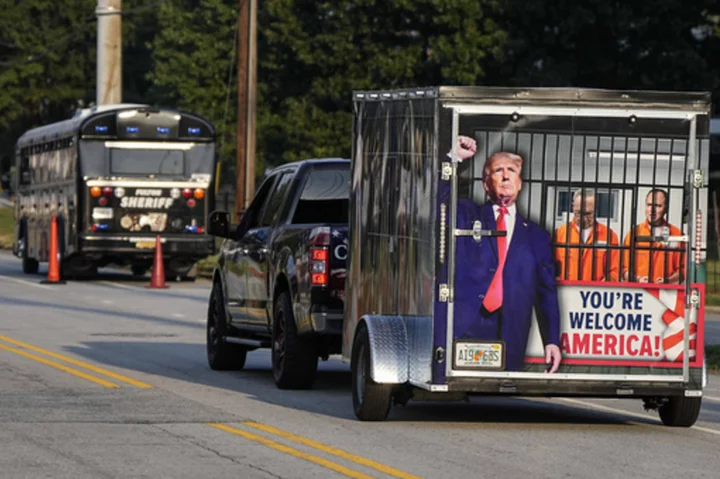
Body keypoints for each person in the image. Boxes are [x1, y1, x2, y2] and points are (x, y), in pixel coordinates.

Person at [443, 135, 562, 373]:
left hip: (511, 327)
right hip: (467, 323)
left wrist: (552, 340)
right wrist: (452, 159)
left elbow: (546, 291)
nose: (506, 176)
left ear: (520, 183)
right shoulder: (468, 215)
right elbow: (439, 201)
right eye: (498, 171)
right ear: (486, 184)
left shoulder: (538, 236)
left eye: (512, 171)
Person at [553, 189, 620, 282]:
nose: (583, 218)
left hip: (594, 294)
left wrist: (607, 281)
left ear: (595, 209)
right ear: (573, 208)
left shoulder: (609, 236)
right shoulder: (559, 234)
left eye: (588, 214)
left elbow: (614, 271)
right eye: (579, 213)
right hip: (566, 292)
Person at [622, 188, 685, 284]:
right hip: (639, 293)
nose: (652, 210)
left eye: (658, 206)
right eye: (649, 205)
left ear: (666, 209)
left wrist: (668, 280)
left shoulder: (677, 235)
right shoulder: (633, 234)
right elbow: (623, 270)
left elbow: (683, 271)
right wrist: (637, 279)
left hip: (666, 293)